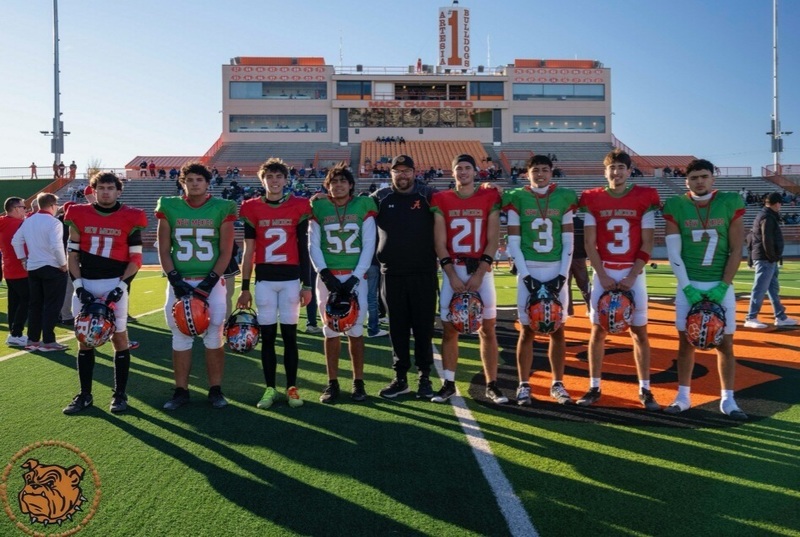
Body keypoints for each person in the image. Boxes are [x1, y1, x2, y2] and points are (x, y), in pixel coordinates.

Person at [662, 159, 748, 420]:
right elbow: (673, 252)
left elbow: (736, 250)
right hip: (689, 283)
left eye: (704, 176)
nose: (699, 181)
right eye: (694, 177)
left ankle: (728, 400)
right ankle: (683, 396)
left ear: (713, 178)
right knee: (686, 343)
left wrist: (724, 284)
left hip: (720, 284)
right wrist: (687, 287)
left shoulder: (729, 202)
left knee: (725, 344)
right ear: (686, 181)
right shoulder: (677, 205)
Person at [576, 149, 661, 410]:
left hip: (633, 272)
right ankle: (594, 386)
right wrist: (601, 274)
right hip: (604, 271)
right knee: (598, 331)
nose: (616, 172)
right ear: (605, 172)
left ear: (629, 170)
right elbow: (589, 242)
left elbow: (648, 242)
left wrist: (632, 275)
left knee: (639, 332)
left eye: (621, 167)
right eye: (612, 168)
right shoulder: (592, 198)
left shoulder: (644, 197)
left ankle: (645, 389)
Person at [61, 172, 148, 414]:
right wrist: (78, 286)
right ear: (94, 190)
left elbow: (136, 258)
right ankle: (85, 395)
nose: (106, 192)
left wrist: (120, 288)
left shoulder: (131, 216)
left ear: (119, 191)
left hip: (114, 282)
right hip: (86, 283)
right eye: (101, 188)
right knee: (84, 340)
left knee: (120, 339)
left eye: (111, 188)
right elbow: (73, 256)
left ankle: (119, 395)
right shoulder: (78, 214)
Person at [157, 162, 236, 410]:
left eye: (199, 180)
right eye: (189, 179)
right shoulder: (169, 205)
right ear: (183, 182)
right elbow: (163, 249)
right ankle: (181, 390)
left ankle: (215, 389)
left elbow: (226, 251)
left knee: (214, 334)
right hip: (179, 282)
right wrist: (176, 280)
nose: (194, 184)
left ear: (207, 182)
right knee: (180, 334)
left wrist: (207, 284)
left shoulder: (222, 208)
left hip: (211, 283)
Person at [237, 158, 312, 409]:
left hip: (291, 279)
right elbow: (248, 252)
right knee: (267, 337)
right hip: (265, 280)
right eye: (269, 177)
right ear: (262, 180)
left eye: (279, 176)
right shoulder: (251, 207)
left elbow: (304, 247)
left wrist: (307, 284)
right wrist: (244, 287)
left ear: (286, 179)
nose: (275, 181)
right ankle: (270, 388)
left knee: (290, 336)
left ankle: (291, 387)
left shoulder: (299, 206)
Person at [431, 154, 506, 404]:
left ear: (475, 172)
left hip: (480, 271)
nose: (463, 172)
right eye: (458, 169)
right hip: (454, 269)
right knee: (450, 329)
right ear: (452, 173)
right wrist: (451, 274)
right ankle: (449, 383)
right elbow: (439, 242)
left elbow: (493, 238)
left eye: (467, 168)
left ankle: (492, 384)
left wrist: (481, 271)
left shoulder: (489, 196)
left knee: (487, 328)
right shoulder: (441, 199)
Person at [503, 154, 577, 405]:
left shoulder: (564, 197)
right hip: (530, 268)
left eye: (545, 170)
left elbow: (569, 240)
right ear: (527, 173)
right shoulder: (517, 198)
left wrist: (563, 275)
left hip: (556, 267)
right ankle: (524, 384)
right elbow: (513, 241)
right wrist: (526, 276)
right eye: (536, 170)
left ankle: (558, 383)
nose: (540, 174)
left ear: (552, 171)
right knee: (526, 330)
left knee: (558, 329)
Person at [372, 155, 437, 399]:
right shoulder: (379, 198)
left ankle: (424, 377)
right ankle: (400, 378)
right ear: (391, 174)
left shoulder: (428, 195)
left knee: (423, 328)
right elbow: (351, 204)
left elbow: (455, 200)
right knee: (397, 329)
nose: (402, 175)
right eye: (397, 171)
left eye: (406, 170)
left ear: (414, 172)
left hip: (423, 272)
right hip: (392, 274)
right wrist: (323, 195)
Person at [310, 164, 376, 403]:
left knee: (356, 330)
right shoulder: (319, 207)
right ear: (327, 186)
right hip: (328, 276)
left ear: (350, 185)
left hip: (355, 276)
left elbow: (369, 243)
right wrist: (325, 274)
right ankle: (332, 383)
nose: (338, 185)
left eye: (342, 181)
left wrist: (356, 277)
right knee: (331, 330)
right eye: (333, 182)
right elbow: (313, 244)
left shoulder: (363, 205)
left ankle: (358, 382)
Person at [11, 193, 68, 352]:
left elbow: (16, 241)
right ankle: (48, 340)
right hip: (52, 267)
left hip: (33, 267)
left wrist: (23, 259)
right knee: (52, 305)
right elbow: (57, 246)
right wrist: (63, 264)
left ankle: (32, 340)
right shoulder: (54, 222)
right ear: (52, 205)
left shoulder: (28, 221)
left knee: (35, 305)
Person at [743, 192, 798, 328]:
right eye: (780, 203)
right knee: (760, 287)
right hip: (765, 258)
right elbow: (766, 239)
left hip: (766, 257)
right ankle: (751, 317)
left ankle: (780, 316)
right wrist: (772, 256)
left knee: (773, 288)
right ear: (777, 203)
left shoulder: (766, 215)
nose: (780, 206)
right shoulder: (767, 217)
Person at [0, 197, 30, 346]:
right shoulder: (19, 224)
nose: (25, 210)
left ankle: (14, 333)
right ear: (16, 208)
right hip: (21, 269)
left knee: (14, 302)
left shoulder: (3, 222)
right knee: (27, 299)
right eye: (23, 207)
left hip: (9, 269)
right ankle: (16, 333)